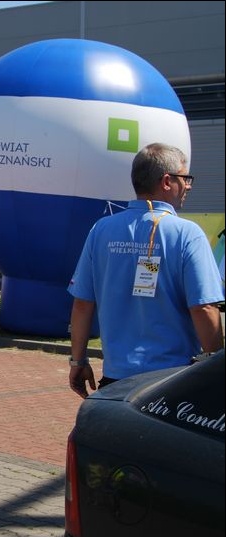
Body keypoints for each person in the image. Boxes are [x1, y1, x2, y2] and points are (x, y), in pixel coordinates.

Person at [67, 142, 224, 398]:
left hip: (116, 380)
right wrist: (217, 370)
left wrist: (78, 361)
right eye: (185, 178)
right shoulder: (187, 234)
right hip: (173, 381)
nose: (189, 186)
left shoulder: (101, 230)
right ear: (166, 181)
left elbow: (83, 304)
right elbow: (204, 308)